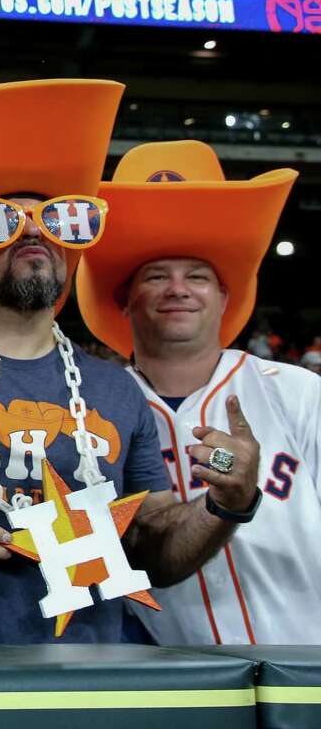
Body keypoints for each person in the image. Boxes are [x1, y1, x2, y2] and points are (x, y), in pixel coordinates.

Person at [0, 80, 265, 644]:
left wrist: (225, 505)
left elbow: (151, 546)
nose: (34, 232)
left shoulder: (117, 390)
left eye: (57, 223)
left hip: (93, 681)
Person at [77, 139, 316, 645]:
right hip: (176, 681)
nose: (178, 289)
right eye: (157, 276)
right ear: (123, 300)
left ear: (224, 296)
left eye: (199, 276)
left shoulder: (298, 393)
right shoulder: (95, 413)